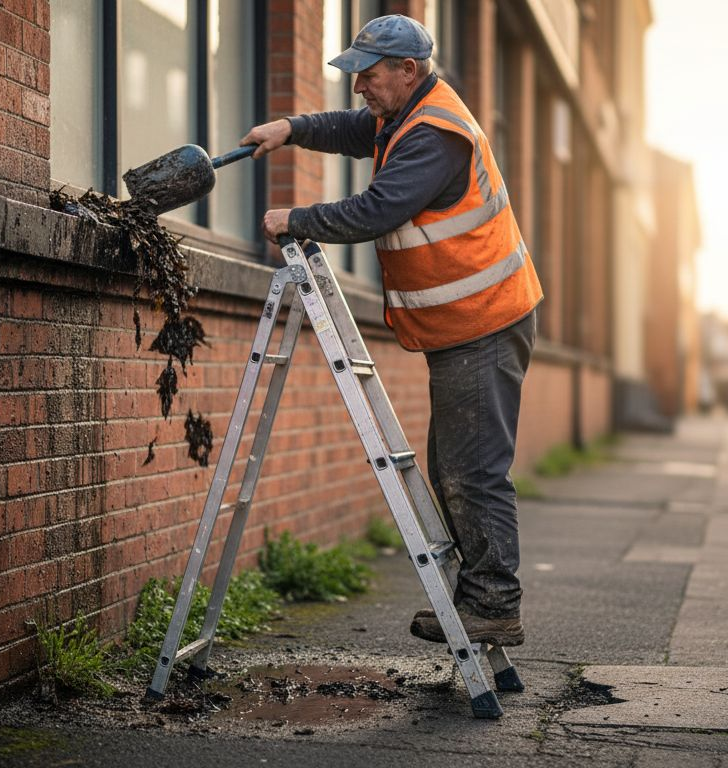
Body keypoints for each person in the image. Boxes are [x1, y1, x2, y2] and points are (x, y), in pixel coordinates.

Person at [241, 14, 542, 648]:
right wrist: (289, 130)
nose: (359, 89)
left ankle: (493, 603)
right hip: (466, 324)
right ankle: (478, 598)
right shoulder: (409, 112)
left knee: (472, 471)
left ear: (409, 71)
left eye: (368, 76)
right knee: (451, 464)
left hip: (484, 322)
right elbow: (356, 128)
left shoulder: (434, 136)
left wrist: (295, 217)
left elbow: (377, 210)